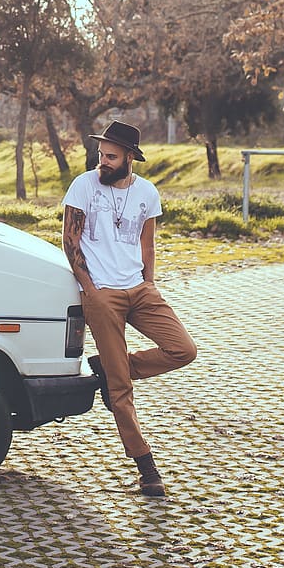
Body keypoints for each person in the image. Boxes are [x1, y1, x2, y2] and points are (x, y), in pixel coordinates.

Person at [62, 121, 196, 497]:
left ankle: (111, 366)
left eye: (111, 157)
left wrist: (148, 282)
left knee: (183, 350)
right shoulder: (83, 186)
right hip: (102, 293)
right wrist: (90, 290)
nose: (102, 162)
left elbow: (147, 243)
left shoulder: (147, 193)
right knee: (121, 390)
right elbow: (69, 240)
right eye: (101, 155)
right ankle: (146, 468)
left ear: (130, 159)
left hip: (139, 289)